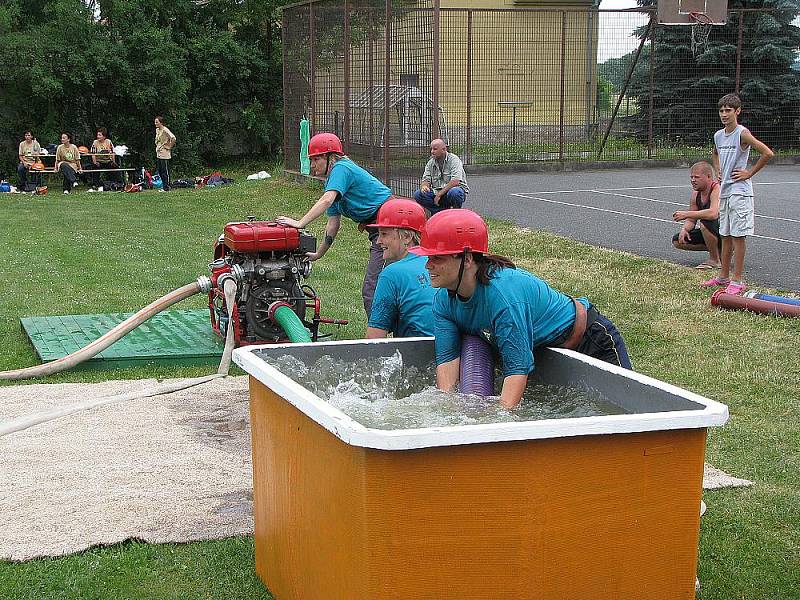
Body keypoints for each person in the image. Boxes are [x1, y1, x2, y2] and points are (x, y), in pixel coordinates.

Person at [410, 209, 632, 409]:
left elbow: (517, 371)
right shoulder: (442, 300)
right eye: (428, 257)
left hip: (591, 340)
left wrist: (490, 425)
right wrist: (447, 411)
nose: (428, 265)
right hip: (544, 347)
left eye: (437, 258)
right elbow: (448, 360)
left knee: (625, 412)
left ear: (467, 259)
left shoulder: (504, 299)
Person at [276, 132, 393, 315]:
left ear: (328, 156)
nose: (312, 166)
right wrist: (318, 254)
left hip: (392, 225)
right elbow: (333, 225)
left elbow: (326, 201)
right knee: (383, 286)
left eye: (315, 160)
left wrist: (300, 223)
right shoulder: (334, 180)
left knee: (372, 290)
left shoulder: (341, 169)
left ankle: (377, 338)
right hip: (380, 228)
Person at [701, 93, 773, 295]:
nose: (724, 114)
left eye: (728, 110)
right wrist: (718, 170)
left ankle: (738, 279)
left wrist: (748, 173)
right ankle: (723, 277)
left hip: (740, 193)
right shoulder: (718, 135)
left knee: (738, 235)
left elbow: (767, 153)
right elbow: (715, 153)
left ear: (737, 111)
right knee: (725, 234)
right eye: (721, 110)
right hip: (725, 192)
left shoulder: (742, 133)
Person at [365, 198, 436, 339]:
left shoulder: (392, 273)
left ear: (407, 236)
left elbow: (374, 341)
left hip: (418, 355)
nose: (378, 241)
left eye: (384, 234)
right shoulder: (437, 263)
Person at [671, 161, 721, 269]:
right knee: (677, 241)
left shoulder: (717, 189)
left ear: (708, 177)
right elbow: (691, 220)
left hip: (727, 233)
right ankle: (719, 251)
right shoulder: (695, 194)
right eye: (691, 177)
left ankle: (715, 260)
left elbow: (713, 214)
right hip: (713, 231)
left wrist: (686, 214)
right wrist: (685, 229)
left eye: (696, 177)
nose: (693, 180)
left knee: (705, 222)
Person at [413, 138, 469, 215]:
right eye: (431, 149)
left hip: (451, 192)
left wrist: (439, 194)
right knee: (418, 194)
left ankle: (456, 214)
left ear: (443, 149)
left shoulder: (454, 160)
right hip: (437, 193)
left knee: (455, 192)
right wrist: (424, 187)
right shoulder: (431, 162)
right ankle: (439, 212)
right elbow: (426, 179)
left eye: (435, 149)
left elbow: (455, 182)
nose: (432, 152)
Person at [154, 116, 176, 192]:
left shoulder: (165, 130)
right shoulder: (157, 130)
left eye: (157, 122)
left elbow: (173, 137)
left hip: (165, 153)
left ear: (161, 122)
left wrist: (169, 146)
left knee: (165, 171)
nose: (155, 123)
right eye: (155, 122)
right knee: (160, 170)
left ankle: (167, 187)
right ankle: (164, 186)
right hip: (159, 152)